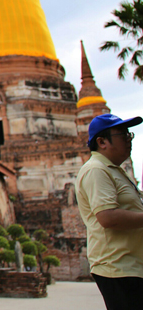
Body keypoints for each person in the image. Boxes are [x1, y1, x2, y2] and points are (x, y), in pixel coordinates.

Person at [75, 112, 143, 310]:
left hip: (131, 265)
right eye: (123, 135)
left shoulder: (112, 169)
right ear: (102, 142)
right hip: (118, 266)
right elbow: (107, 217)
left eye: (129, 134)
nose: (129, 139)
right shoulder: (96, 170)